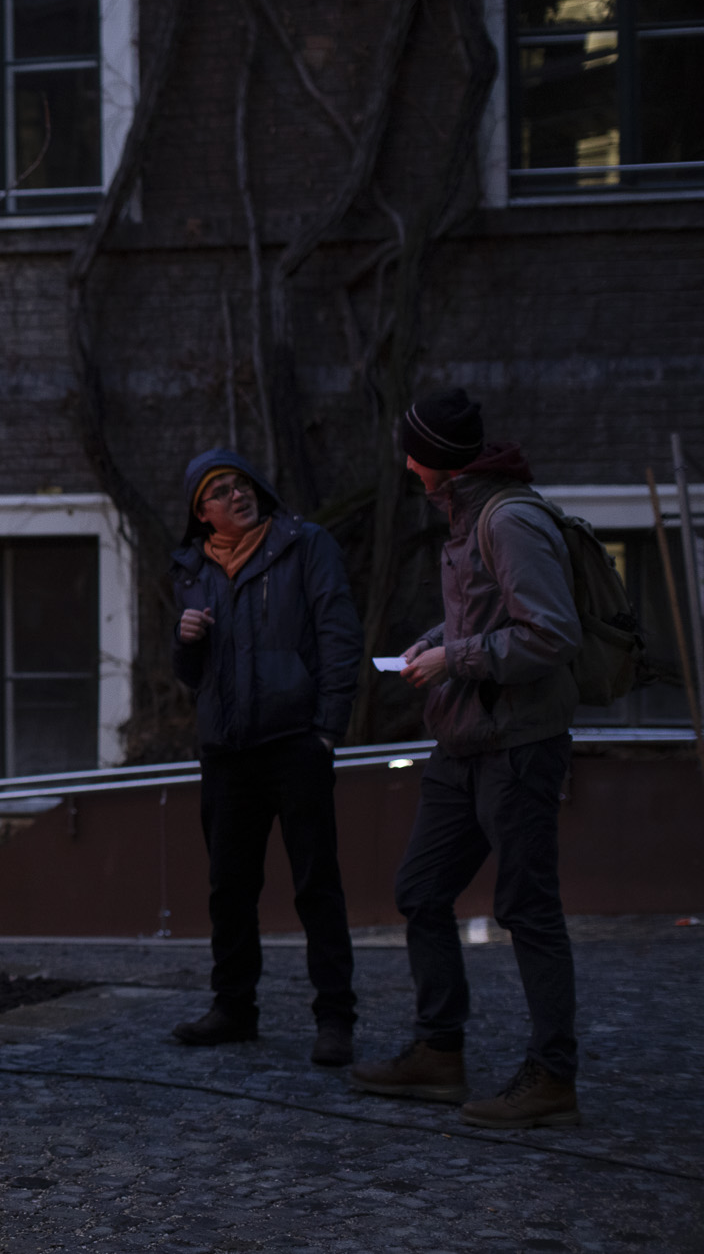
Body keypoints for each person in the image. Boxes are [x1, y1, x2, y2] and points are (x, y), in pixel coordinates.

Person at [351, 388, 583, 1129]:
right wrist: (434, 642)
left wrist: (457, 657)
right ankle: (438, 1053)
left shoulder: (508, 517)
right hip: (463, 743)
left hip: (516, 746)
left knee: (527, 909)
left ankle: (552, 1076)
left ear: (437, 462)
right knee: (421, 888)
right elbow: (479, 615)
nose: (407, 463)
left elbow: (551, 634)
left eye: (413, 452)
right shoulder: (466, 514)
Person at [168, 449, 364, 1067]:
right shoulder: (192, 569)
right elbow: (189, 675)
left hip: (295, 743)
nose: (237, 495)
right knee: (229, 886)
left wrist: (328, 731)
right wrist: (185, 643)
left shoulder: (306, 545)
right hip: (227, 751)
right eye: (219, 492)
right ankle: (234, 1009)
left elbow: (339, 635)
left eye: (241, 483)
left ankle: (335, 1018)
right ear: (202, 515)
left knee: (316, 885)